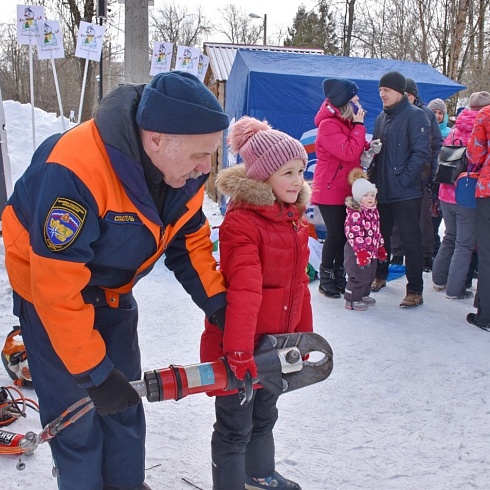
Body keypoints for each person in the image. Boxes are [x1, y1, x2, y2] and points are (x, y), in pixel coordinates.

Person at [1, 71, 230, 490]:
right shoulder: (75, 169)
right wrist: (93, 372)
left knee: (124, 401)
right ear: (157, 138)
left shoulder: (186, 174)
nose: (205, 168)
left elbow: (189, 237)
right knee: (78, 417)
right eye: (200, 155)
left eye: (211, 156)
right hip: (49, 295)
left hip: (112, 291)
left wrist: (219, 304)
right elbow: (56, 288)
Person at [200, 116, 312, 490]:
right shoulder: (243, 223)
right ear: (262, 177)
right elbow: (244, 294)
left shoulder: (293, 221)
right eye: (287, 172)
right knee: (235, 425)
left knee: (265, 415)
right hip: (241, 349)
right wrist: (238, 353)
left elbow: (300, 287)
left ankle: (259, 475)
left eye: (301, 170)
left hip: (276, 348)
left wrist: (304, 340)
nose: (297, 180)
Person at [311, 78, 381, 299]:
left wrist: (369, 147)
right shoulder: (328, 125)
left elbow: (354, 148)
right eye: (355, 99)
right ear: (345, 102)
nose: (359, 103)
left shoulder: (344, 122)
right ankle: (326, 278)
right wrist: (360, 127)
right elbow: (348, 152)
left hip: (345, 188)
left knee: (346, 234)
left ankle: (340, 276)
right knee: (336, 234)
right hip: (330, 189)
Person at [369, 71, 431, 307]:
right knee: (381, 238)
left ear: (400, 92)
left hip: (406, 192)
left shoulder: (416, 116)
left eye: (386, 90)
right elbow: (377, 154)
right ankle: (380, 274)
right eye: (380, 90)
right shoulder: (380, 119)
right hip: (382, 191)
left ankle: (415, 289)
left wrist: (403, 180)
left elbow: (421, 154)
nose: (382, 94)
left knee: (410, 240)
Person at [432, 91, 490, 299]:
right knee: (464, 244)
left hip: (445, 191)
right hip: (466, 193)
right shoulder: (482, 127)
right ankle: (455, 290)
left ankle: (438, 279)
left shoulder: (455, 128)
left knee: (449, 237)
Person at [390, 78, 443, 272]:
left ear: (415, 96)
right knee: (397, 218)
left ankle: (426, 255)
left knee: (423, 219)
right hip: (397, 174)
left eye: (409, 95)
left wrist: (433, 172)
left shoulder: (427, 114)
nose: (405, 99)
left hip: (422, 174)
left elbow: (437, 145)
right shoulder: (392, 113)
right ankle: (397, 253)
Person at [344, 168, 387, 310]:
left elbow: (376, 231)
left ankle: (363, 295)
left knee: (369, 275)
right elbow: (353, 234)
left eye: (372, 195)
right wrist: (361, 251)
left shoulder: (374, 212)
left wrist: (380, 246)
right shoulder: (356, 214)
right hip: (357, 252)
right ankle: (351, 299)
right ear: (357, 197)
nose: (370, 198)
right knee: (358, 275)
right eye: (366, 195)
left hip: (371, 251)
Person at [465, 101, 490, 330]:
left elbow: (475, 153)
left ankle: (486, 316)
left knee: (487, 254)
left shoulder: (486, 113)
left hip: (489, 190)